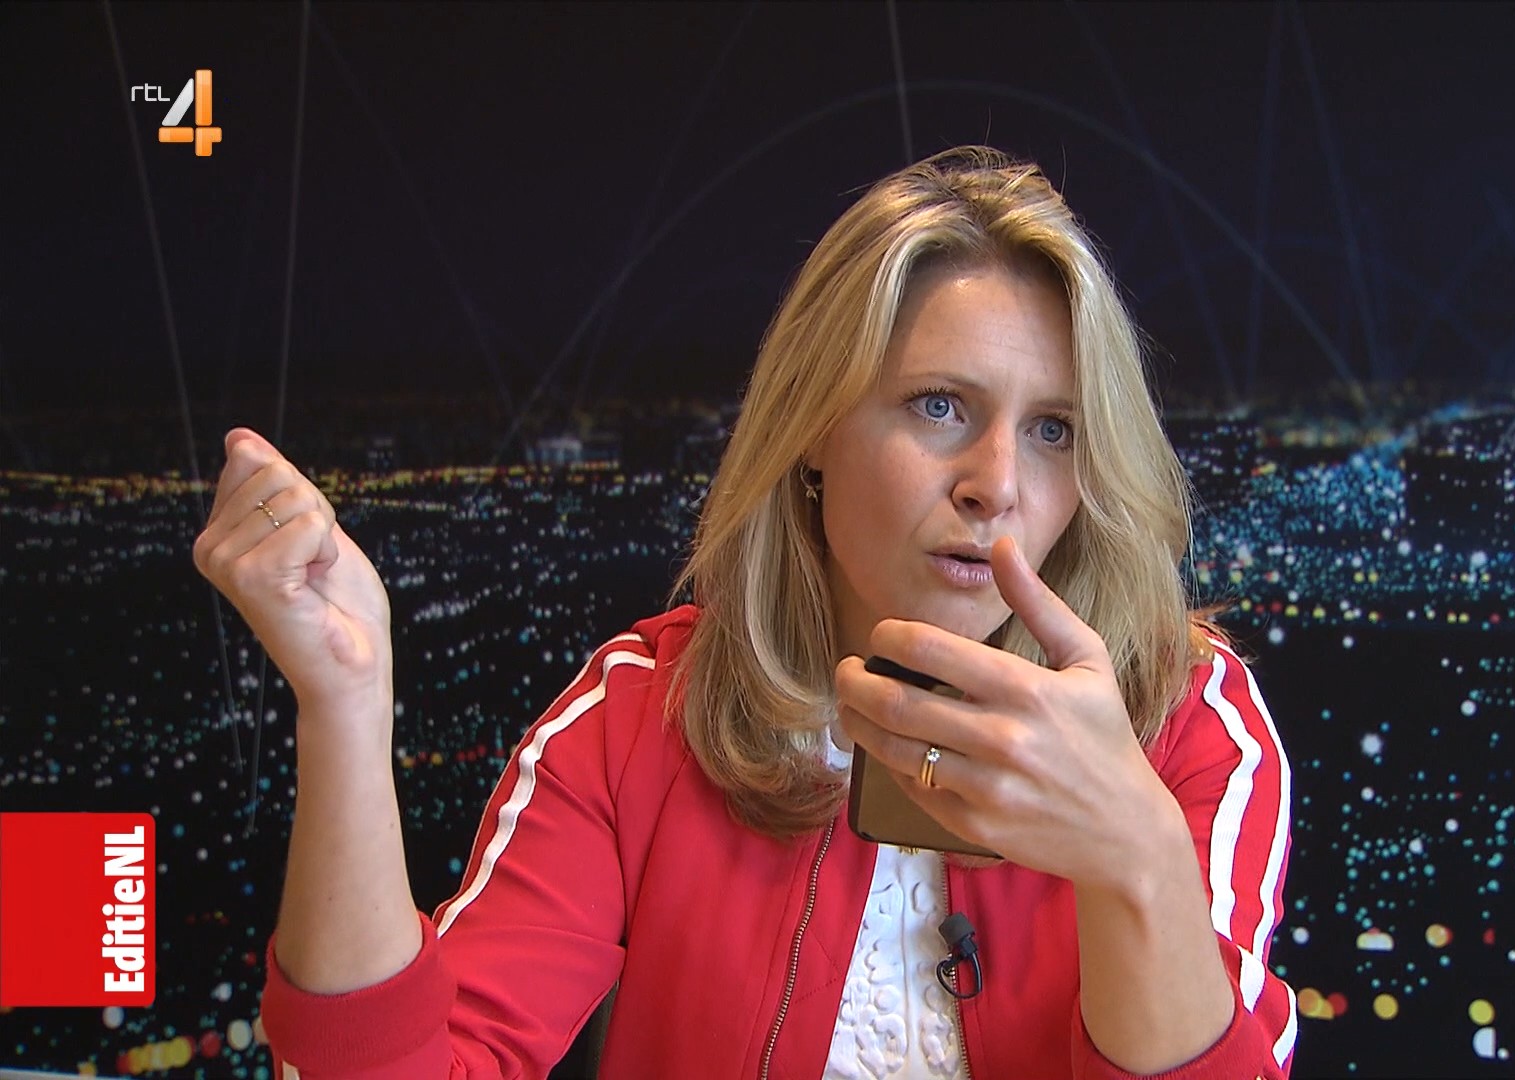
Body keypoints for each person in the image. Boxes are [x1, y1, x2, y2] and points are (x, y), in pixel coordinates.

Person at [195, 145, 1297, 1079]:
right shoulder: (640, 719)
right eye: (939, 405)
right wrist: (344, 702)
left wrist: (1137, 856)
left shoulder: (1193, 724)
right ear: (814, 429)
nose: (997, 484)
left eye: (1053, 429)